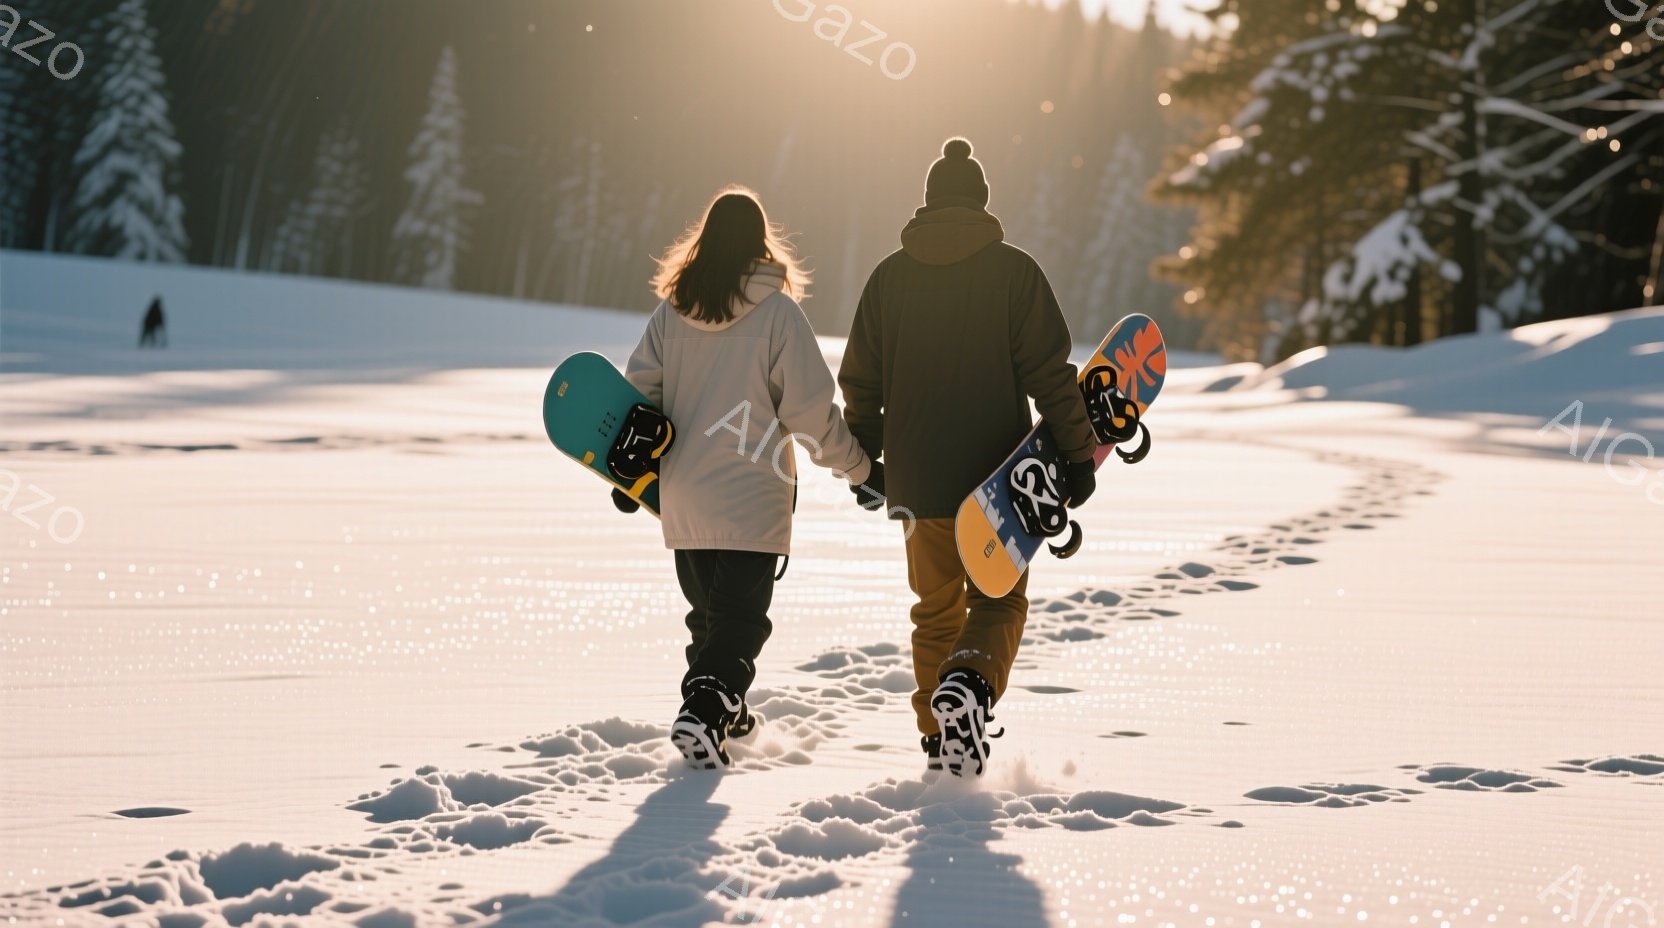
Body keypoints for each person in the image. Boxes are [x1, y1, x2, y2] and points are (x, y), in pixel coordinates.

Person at [838, 138, 1098, 777]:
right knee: (998, 602)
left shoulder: (889, 278)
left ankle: (939, 739)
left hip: (916, 481)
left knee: (934, 611)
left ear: (928, 203)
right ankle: (971, 687)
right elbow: (1051, 376)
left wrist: (867, 462)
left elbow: (861, 383)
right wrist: (1076, 454)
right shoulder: (1014, 273)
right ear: (981, 202)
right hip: (1001, 484)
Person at [621, 186, 880, 770]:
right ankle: (707, 708)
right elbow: (811, 416)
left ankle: (723, 714)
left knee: (710, 620)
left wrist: (627, 471)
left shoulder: (671, 314)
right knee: (738, 623)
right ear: (761, 245)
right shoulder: (778, 314)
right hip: (752, 499)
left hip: (684, 498)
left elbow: (638, 399)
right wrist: (861, 470)